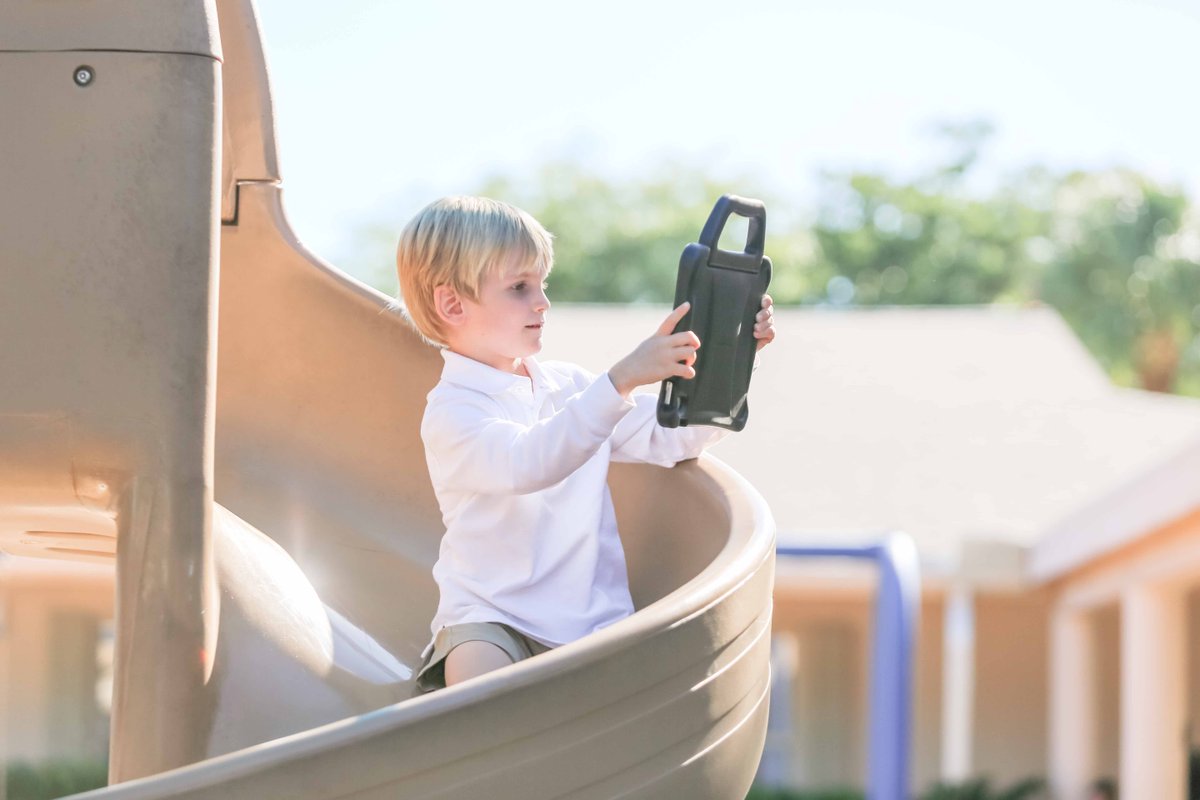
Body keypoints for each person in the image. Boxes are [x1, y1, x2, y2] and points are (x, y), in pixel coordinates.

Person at [394, 196, 776, 693]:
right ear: (452, 305)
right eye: (519, 287)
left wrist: (735, 357)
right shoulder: (454, 411)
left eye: (542, 284)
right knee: (476, 679)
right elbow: (529, 462)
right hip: (494, 618)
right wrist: (619, 381)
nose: (542, 301)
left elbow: (674, 438)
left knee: (641, 690)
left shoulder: (568, 387)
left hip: (592, 625)